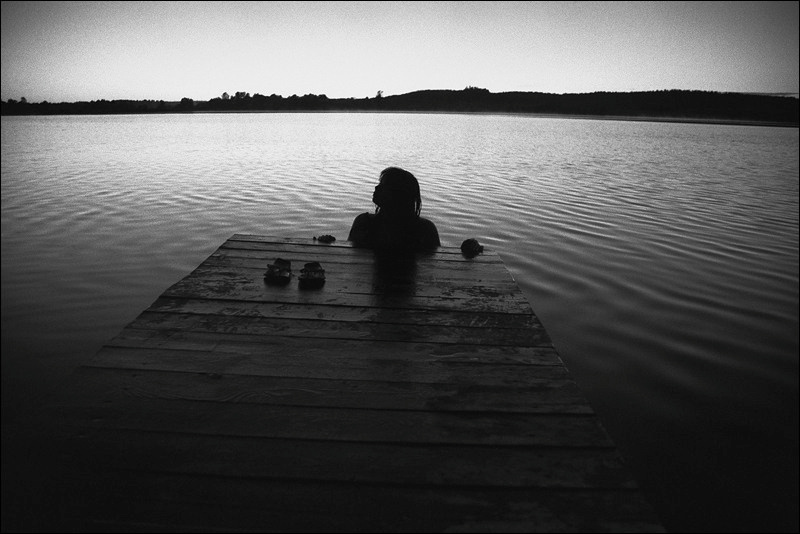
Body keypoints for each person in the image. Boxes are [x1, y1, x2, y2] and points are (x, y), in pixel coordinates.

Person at [348, 167, 441, 251]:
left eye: (384, 186)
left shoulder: (364, 223)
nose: (377, 187)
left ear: (399, 194)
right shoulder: (426, 228)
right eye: (380, 184)